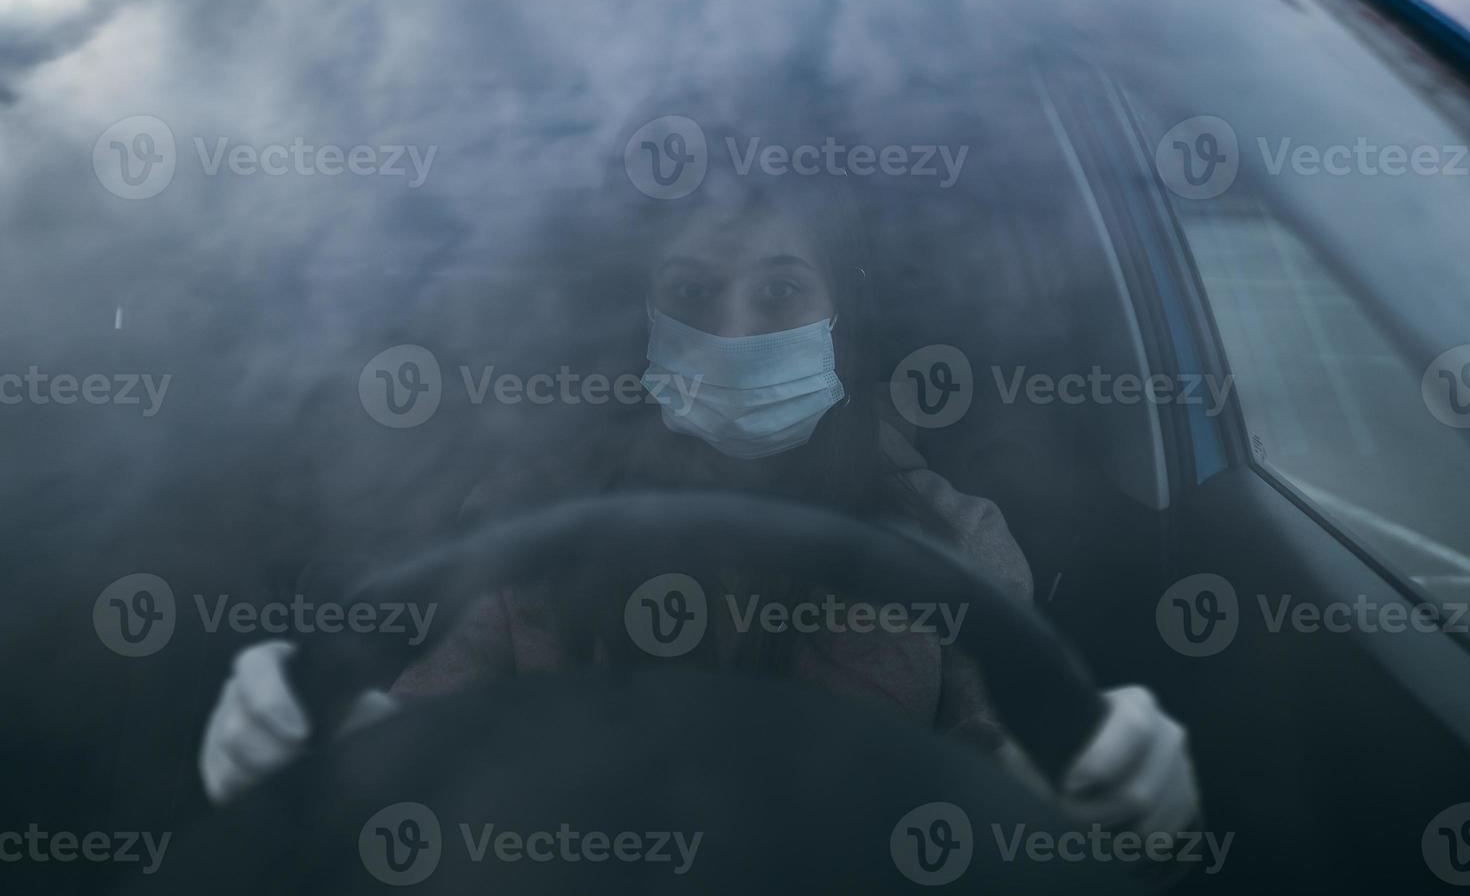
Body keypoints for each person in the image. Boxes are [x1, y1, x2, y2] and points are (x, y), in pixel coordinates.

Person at [200, 174, 1200, 851]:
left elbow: (1009, 814)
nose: (734, 328)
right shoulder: (523, 516)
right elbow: (425, 745)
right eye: (692, 290)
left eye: (779, 290)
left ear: (838, 318)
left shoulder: (954, 537)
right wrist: (312, 743)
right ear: (647, 322)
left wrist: (1113, 800)